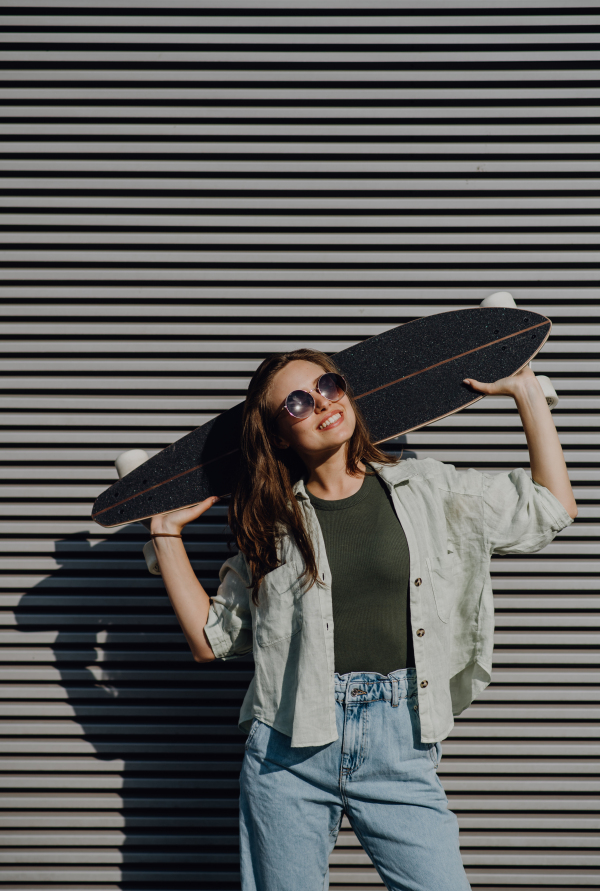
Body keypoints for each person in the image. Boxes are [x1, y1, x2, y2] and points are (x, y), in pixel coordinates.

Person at [149, 348, 577, 891]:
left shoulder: (425, 487)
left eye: (328, 385)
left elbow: (551, 506)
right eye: (298, 403)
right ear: (279, 435)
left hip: (400, 739)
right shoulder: (270, 525)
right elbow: (211, 641)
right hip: (288, 749)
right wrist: (165, 537)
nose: (324, 403)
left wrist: (526, 392)